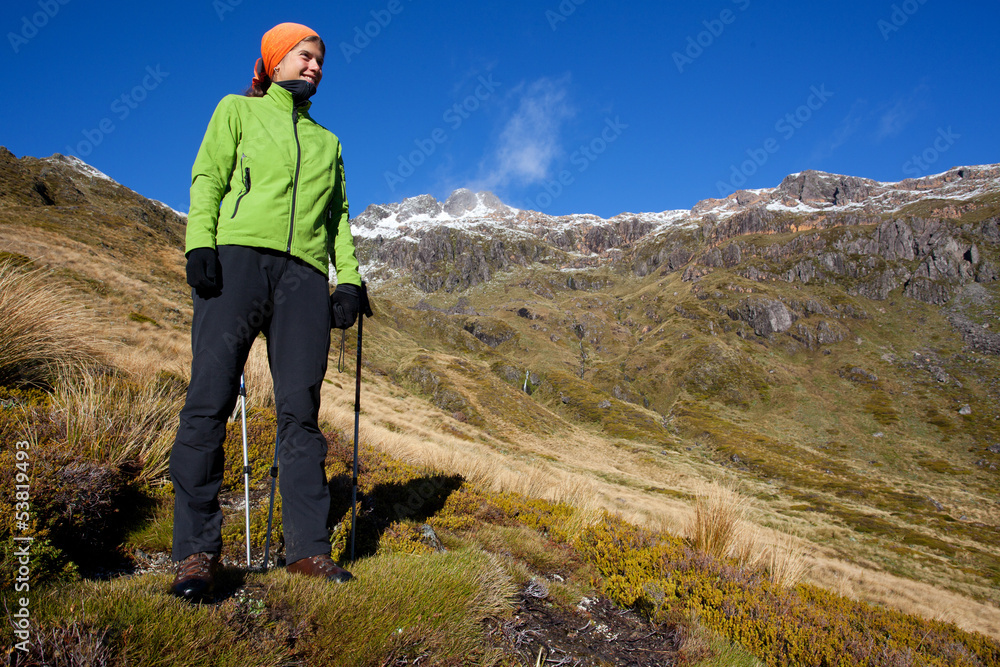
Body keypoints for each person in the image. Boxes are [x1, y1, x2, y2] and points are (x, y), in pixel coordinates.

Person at [169, 22, 361, 601]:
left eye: (321, 61)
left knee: (301, 412)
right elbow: (208, 177)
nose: (315, 68)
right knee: (210, 398)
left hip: (304, 278)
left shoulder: (329, 143)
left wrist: (347, 279)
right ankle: (196, 554)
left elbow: (339, 219)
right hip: (237, 263)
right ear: (275, 59)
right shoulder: (237, 111)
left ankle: (307, 552)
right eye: (306, 57)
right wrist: (199, 242)